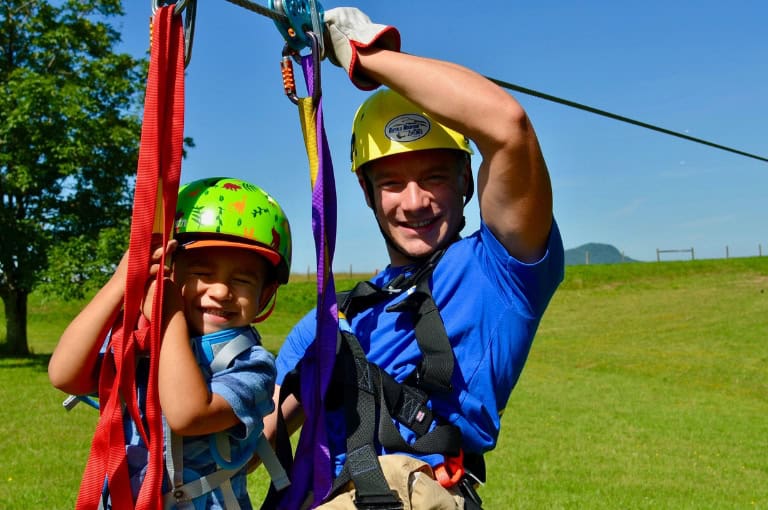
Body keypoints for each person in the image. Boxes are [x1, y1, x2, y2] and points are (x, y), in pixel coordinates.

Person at [265, 7, 565, 508]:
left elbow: (508, 127)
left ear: (467, 181)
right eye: (391, 183)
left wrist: (367, 56)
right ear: (366, 193)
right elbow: (247, 441)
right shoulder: (329, 320)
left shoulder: (499, 275)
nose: (414, 201)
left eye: (434, 178)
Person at [49, 177, 292, 509]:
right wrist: (122, 283)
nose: (220, 291)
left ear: (264, 295)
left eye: (241, 279)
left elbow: (187, 414)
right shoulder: (142, 346)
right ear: (169, 275)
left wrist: (169, 317)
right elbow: (65, 375)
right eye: (202, 274)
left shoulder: (252, 365)